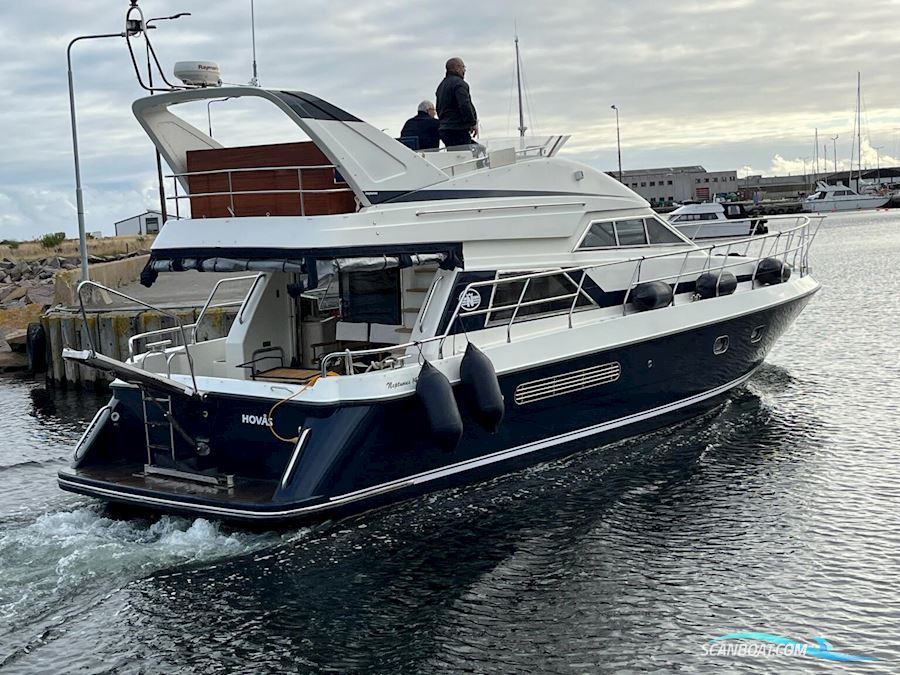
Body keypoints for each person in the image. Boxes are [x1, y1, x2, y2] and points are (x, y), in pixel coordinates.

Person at [436, 57, 477, 147]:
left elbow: (438, 108)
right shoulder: (460, 84)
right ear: (457, 67)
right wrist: (472, 123)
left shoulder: (441, 86)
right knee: (472, 153)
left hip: (444, 129)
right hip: (457, 128)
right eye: (463, 67)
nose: (464, 70)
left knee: (454, 155)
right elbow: (464, 105)